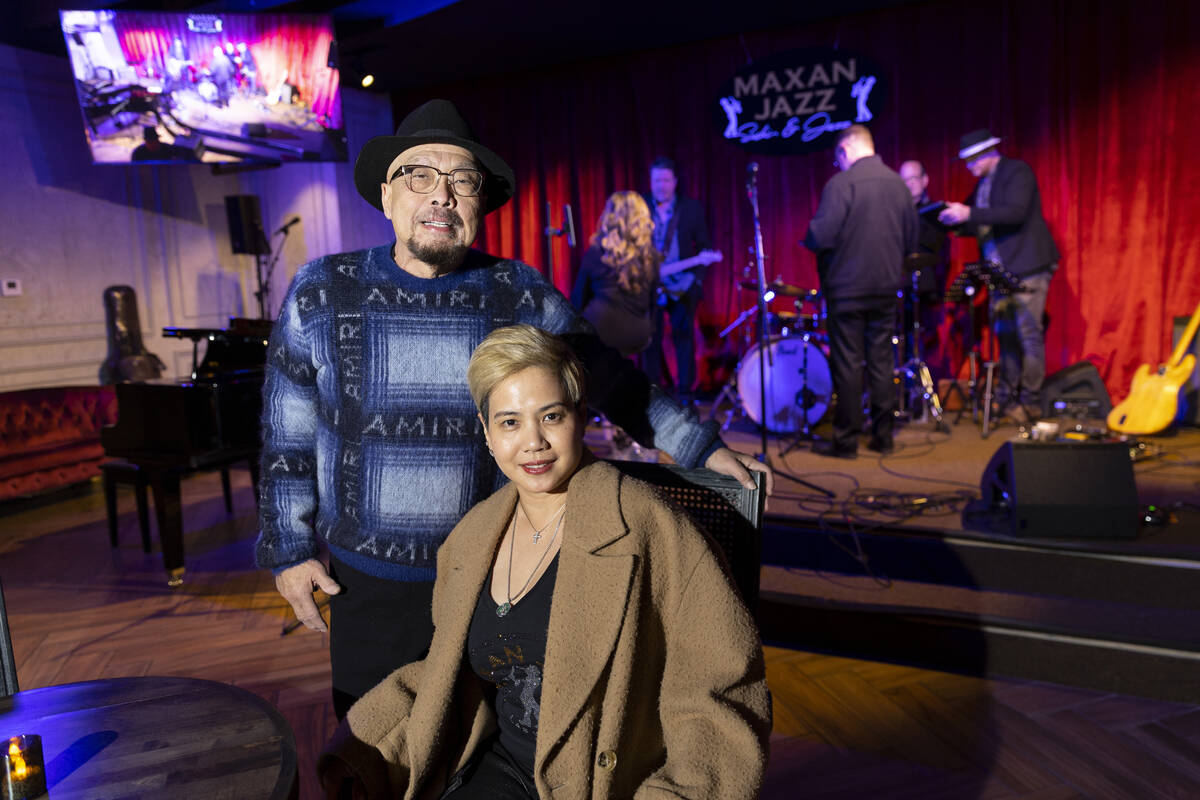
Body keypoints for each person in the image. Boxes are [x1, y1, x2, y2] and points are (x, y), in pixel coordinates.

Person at [255, 98, 772, 720]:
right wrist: (288, 548)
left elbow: (607, 377)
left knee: (487, 762)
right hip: (369, 589)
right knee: (372, 762)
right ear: (387, 197)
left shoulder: (516, 290)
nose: (442, 195)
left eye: (463, 181)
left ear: (480, 204)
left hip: (496, 578)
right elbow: (286, 436)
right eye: (420, 175)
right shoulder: (321, 289)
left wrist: (700, 445)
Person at [317, 324, 771, 800]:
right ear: (487, 432)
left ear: (580, 414)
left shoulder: (651, 527)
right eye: (510, 422)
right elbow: (447, 671)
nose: (533, 442)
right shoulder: (472, 539)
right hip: (501, 770)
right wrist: (365, 739)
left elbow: (721, 697)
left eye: (550, 416)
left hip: (602, 783)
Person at [803, 125, 918, 458]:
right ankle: (884, 437)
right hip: (885, 287)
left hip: (846, 289)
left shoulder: (841, 184)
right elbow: (911, 240)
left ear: (845, 149)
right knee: (882, 360)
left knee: (848, 364)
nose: (838, 163)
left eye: (838, 157)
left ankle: (846, 441)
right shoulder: (898, 184)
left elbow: (820, 237)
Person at [939, 129, 1060, 424]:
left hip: (1027, 269)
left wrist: (969, 214)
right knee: (1005, 338)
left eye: (972, 160)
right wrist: (952, 220)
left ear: (988, 153)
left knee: (1029, 336)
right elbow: (977, 219)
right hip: (1000, 275)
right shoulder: (982, 185)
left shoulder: (1017, 172)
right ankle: (1007, 400)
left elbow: (1014, 213)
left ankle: (1030, 402)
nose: (969, 167)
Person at [641, 157, 713, 403]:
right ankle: (653, 394)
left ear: (675, 182)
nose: (661, 185)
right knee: (649, 341)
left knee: (684, 340)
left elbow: (705, 248)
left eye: (666, 180)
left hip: (682, 286)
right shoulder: (641, 208)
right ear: (651, 182)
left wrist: (696, 282)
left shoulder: (691, 209)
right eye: (656, 180)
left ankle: (685, 394)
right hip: (649, 286)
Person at [568, 191, 660, 357]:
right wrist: (649, 330)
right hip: (637, 333)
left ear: (609, 217)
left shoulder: (597, 252)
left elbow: (578, 299)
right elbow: (653, 302)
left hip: (600, 328)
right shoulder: (650, 256)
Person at [898, 160, 950, 366]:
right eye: (904, 180)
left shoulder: (935, 212)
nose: (909, 184)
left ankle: (923, 391)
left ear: (924, 180)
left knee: (925, 350)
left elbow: (936, 250)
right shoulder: (896, 214)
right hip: (898, 291)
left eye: (913, 178)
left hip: (926, 293)